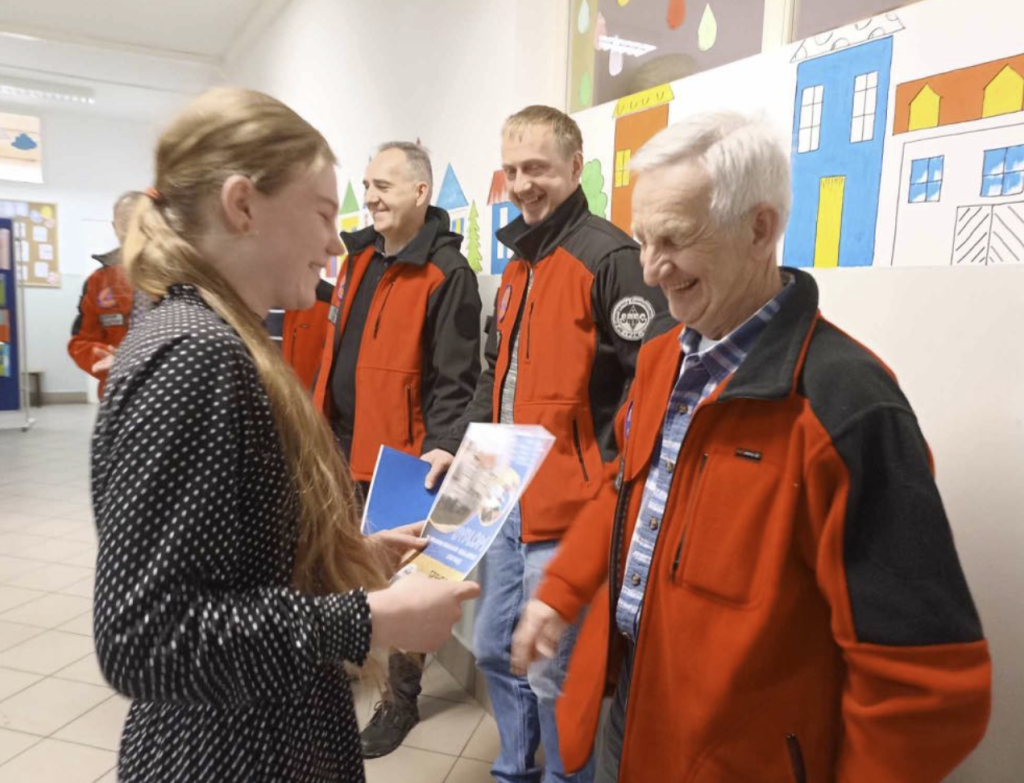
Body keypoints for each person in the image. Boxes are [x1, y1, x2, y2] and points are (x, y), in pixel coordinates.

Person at [511, 111, 992, 783]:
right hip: (636, 718)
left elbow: (927, 684)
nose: (651, 270)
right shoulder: (660, 360)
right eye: (643, 240)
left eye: (674, 239)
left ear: (760, 229)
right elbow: (625, 491)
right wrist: (560, 591)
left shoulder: (847, 405)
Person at [91, 87, 479, 783]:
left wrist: (342, 562)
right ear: (243, 205)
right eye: (324, 214)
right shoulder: (195, 356)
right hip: (230, 756)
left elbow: (229, 567)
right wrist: (366, 619)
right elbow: (145, 638)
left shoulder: (213, 341)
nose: (335, 242)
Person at [460, 105, 668, 783]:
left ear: (575, 167)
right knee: (494, 648)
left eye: (537, 168)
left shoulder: (610, 258)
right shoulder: (518, 263)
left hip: (570, 506)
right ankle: (514, 768)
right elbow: (495, 371)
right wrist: (462, 449)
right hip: (499, 491)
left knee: (556, 675)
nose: (522, 184)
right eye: (512, 170)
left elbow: (650, 385)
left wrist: (610, 476)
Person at [309, 141, 481, 757]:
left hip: (401, 458)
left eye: (382, 186)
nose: (371, 197)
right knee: (336, 564)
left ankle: (400, 699)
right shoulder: (358, 257)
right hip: (337, 445)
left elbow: (457, 379)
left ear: (420, 192)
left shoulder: (446, 273)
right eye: (367, 185)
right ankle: (338, 671)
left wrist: (441, 446)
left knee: (405, 579)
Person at [68, 190, 148, 397]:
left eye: (139, 222)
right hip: (116, 391)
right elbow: (80, 342)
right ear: (115, 227)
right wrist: (104, 358)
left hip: (169, 389)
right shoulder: (99, 282)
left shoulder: (178, 277)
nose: (131, 231)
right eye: (125, 222)